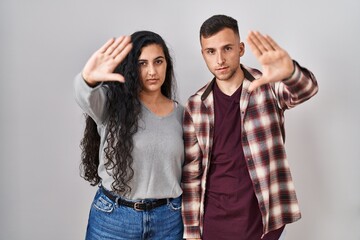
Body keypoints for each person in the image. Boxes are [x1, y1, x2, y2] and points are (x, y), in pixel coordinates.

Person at [181, 15, 319, 240]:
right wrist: (192, 232)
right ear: (203, 54)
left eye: (227, 48)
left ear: (241, 48)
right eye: (211, 51)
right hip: (213, 223)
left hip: (263, 223)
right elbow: (191, 172)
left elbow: (306, 90)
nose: (220, 59)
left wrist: (291, 73)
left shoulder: (267, 86)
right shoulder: (196, 105)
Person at [74, 31, 184, 240]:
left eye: (158, 61)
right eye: (142, 63)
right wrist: (87, 79)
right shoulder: (111, 105)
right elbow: (83, 95)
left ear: (167, 64)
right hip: (113, 219)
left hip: (168, 221)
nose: (152, 71)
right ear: (132, 67)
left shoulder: (182, 114)